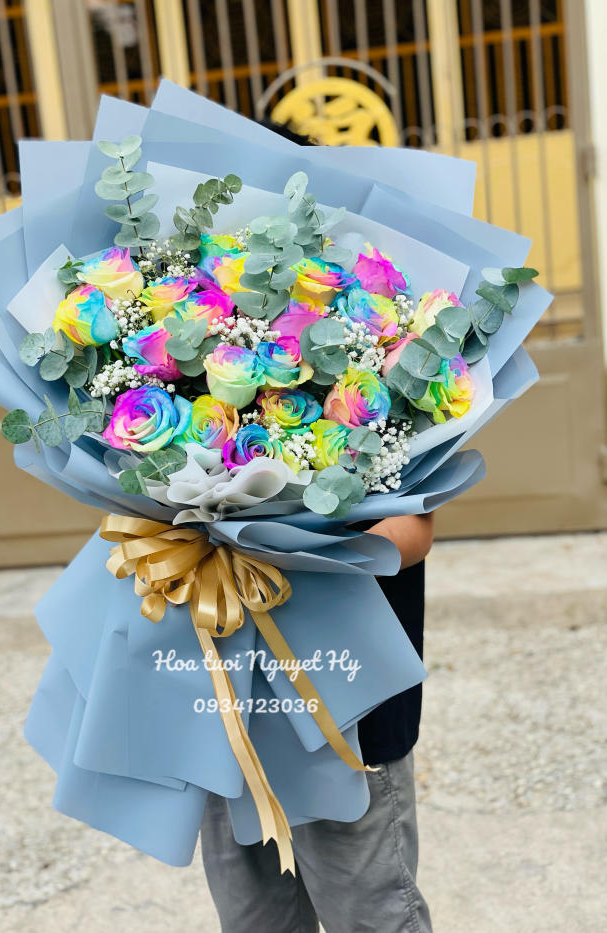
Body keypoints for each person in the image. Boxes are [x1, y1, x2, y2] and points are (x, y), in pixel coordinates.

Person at [200, 119, 434, 933]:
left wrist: (303, 547)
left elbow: (412, 533)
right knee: (254, 914)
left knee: (371, 908)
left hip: (348, 710)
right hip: (225, 706)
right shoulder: (189, 371)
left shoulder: (378, 369)